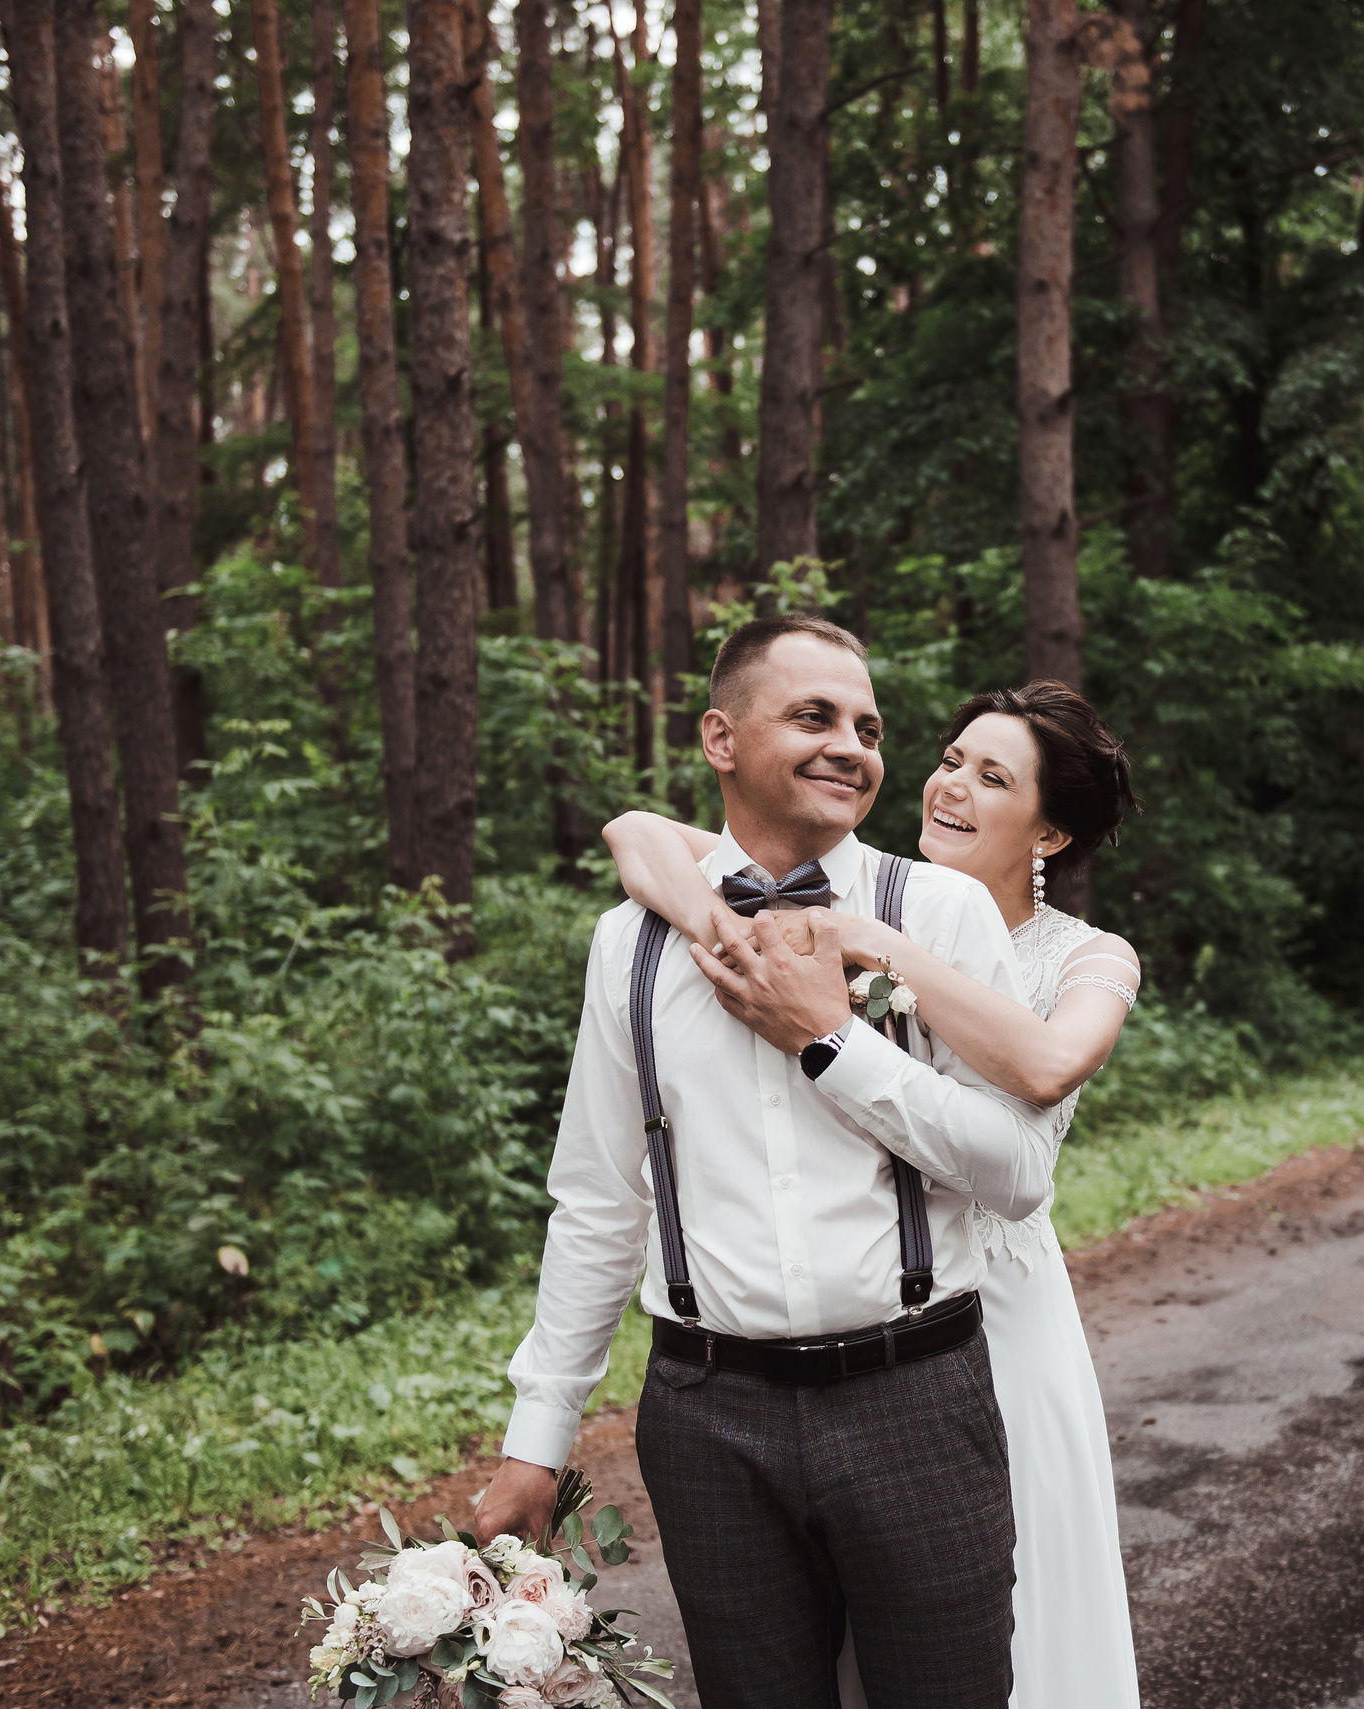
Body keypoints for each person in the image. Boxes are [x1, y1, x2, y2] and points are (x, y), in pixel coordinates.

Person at [477, 615, 1060, 1709]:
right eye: (813, 716)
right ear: (721, 738)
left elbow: (1019, 1172)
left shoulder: (936, 914)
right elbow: (599, 1200)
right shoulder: (630, 942)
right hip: (708, 1420)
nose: (851, 746)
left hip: (918, 1400)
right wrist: (536, 1439)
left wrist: (832, 1042)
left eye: (868, 728)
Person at [605, 679, 1146, 1709]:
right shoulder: (853, 890)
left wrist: (878, 951)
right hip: (852, 1310)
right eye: (949, 759)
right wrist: (725, 925)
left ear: (1049, 832)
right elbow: (637, 832)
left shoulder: (1083, 955)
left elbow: (1043, 1065)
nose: (952, 785)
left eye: (993, 777)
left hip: (999, 1318)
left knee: (998, 1633)